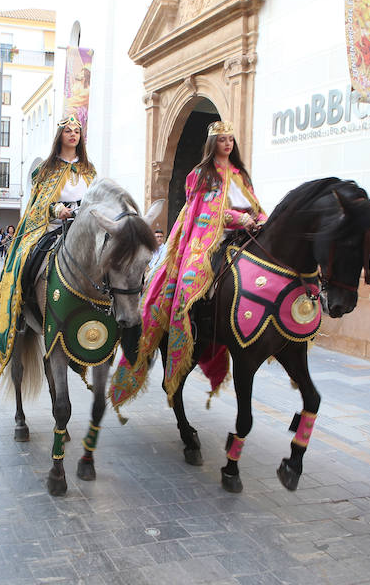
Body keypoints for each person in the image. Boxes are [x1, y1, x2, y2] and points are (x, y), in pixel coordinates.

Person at [110, 120, 267, 409]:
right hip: (211, 237)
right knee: (191, 280)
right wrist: (235, 218)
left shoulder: (240, 173)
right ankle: (190, 323)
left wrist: (260, 220)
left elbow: (254, 205)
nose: (228, 144)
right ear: (212, 144)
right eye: (222, 139)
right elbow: (205, 209)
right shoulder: (201, 174)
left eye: (231, 139)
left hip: (246, 234)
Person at [0, 114, 98, 390]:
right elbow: (36, 207)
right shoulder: (45, 170)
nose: (73, 135)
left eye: (77, 131)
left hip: (84, 230)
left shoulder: (89, 170)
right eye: (68, 131)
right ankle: (19, 310)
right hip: (51, 229)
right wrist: (55, 209)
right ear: (60, 136)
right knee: (26, 260)